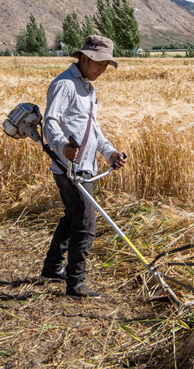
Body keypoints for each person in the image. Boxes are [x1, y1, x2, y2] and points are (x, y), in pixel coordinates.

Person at [40, 35, 127, 299]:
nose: (102, 70)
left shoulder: (89, 89)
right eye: (99, 64)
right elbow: (49, 123)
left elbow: (94, 131)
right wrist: (62, 145)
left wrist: (110, 152)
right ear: (85, 58)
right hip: (69, 169)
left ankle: (53, 267)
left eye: (105, 65)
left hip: (86, 166)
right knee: (86, 225)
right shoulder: (64, 85)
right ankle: (76, 284)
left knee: (73, 216)